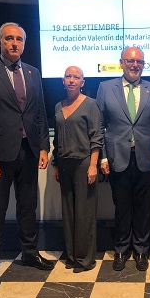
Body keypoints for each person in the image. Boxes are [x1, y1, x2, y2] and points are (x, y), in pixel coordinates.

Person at [0, 22, 53, 290]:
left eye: (19, 39)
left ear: (24, 44)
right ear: (0, 42)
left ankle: (30, 253)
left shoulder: (33, 72)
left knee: (28, 207)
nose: (14, 43)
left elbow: (39, 113)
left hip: (28, 152)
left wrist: (43, 147)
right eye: (9, 39)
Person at [96, 46, 150, 272]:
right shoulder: (105, 87)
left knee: (143, 207)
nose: (135, 65)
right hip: (117, 157)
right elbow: (99, 125)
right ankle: (120, 249)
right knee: (121, 207)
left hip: (146, 158)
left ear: (143, 64)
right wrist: (103, 158)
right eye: (130, 61)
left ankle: (140, 249)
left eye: (139, 61)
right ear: (121, 62)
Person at [52, 66, 103, 273]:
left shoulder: (91, 105)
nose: (72, 80)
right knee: (69, 212)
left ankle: (85, 259)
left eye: (76, 77)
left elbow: (96, 137)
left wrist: (93, 165)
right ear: (63, 81)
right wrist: (55, 163)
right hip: (63, 164)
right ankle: (72, 256)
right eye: (68, 76)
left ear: (82, 82)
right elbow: (57, 139)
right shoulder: (58, 106)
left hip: (84, 164)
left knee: (85, 213)